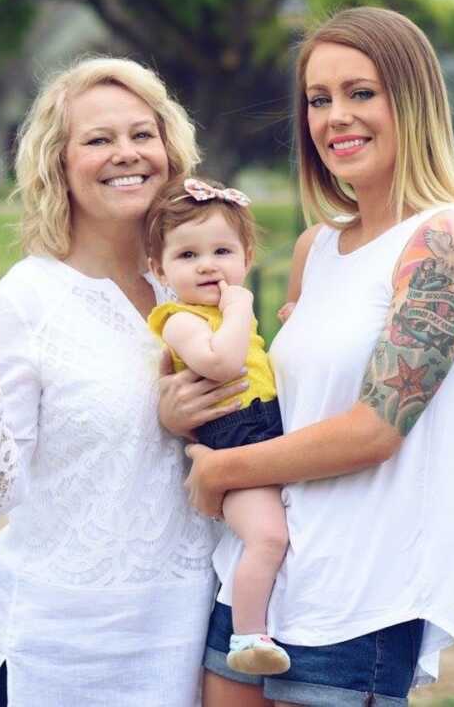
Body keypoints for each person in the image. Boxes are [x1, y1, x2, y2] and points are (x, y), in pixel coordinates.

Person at [158, 7, 454, 707]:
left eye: (361, 92)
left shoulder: (448, 244)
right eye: (319, 100)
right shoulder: (315, 250)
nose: (335, 118)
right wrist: (177, 407)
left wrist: (223, 470)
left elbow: (373, 430)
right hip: (258, 581)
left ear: (411, 101)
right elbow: (282, 403)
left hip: (360, 605)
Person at [0, 57, 245, 707]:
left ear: (169, 149)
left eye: (141, 134)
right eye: (98, 140)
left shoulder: (193, 285)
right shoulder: (32, 298)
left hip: (186, 634)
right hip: (66, 649)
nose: (126, 154)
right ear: (58, 164)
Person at [145, 175, 291, 676]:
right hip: (235, 442)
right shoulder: (180, 318)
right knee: (268, 537)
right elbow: (224, 364)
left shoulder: (224, 313)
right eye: (187, 256)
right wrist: (241, 307)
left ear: (246, 257)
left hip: (267, 431)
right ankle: (248, 636)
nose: (207, 264)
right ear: (158, 268)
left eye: (222, 251)